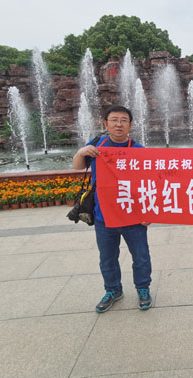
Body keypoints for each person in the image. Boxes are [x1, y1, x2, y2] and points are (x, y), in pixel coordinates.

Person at [72, 105, 153, 312]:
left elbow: (149, 182)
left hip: (133, 215)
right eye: (114, 120)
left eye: (124, 120)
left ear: (130, 125)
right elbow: (78, 166)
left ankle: (143, 288)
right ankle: (113, 290)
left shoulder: (139, 150)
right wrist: (81, 152)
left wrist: (148, 212)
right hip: (103, 215)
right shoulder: (96, 146)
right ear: (105, 124)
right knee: (107, 258)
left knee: (141, 257)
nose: (119, 124)